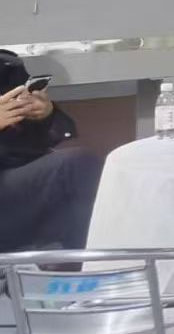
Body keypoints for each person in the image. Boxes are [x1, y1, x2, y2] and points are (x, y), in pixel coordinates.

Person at [0, 51, 102, 253]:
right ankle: (84, 262)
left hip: (17, 178)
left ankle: (69, 261)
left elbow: (34, 142)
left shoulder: (6, 66)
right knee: (76, 165)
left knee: (78, 167)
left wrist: (43, 115)